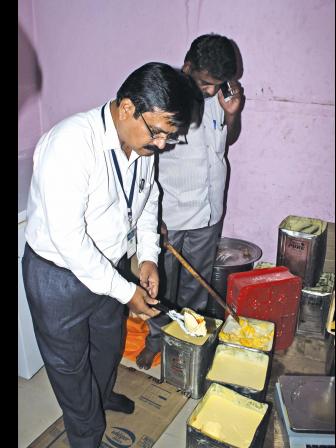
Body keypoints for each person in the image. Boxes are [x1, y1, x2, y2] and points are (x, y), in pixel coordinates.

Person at [22, 62, 202, 447]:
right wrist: (126, 292)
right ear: (126, 108)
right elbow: (70, 241)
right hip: (59, 274)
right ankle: (85, 434)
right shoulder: (70, 145)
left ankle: (101, 396)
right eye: (157, 133)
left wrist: (149, 255)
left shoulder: (142, 143)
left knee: (107, 342)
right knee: (69, 365)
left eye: (169, 138)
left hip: (112, 265)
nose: (160, 145)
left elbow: (149, 197)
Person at [137, 34, 243, 370]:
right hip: (170, 216)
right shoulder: (165, 102)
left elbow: (229, 140)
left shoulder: (218, 99)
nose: (211, 91)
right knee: (160, 288)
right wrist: (153, 222)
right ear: (187, 68)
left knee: (197, 290)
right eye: (205, 83)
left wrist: (231, 114)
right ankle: (156, 339)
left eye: (217, 84)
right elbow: (144, 161)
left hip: (209, 214)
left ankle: (188, 345)